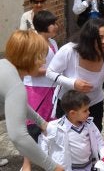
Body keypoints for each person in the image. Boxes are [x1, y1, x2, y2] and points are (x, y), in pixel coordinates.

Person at [46, 18, 104, 131]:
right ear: (89, 38)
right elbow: (50, 72)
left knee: (93, 138)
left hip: (94, 105)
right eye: (100, 38)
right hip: (69, 106)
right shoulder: (69, 51)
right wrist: (73, 83)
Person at [0, 30, 63, 171]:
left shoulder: (5, 65)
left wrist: (41, 123)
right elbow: (18, 137)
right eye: (40, 56)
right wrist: (53, 167)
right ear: (28, 57)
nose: (44, 61)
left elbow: (18, 104)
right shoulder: (15, 85)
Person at [22, 10, 59, 171]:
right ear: (45, 26)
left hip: (51, 89)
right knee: (33, 127)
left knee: (48, 127)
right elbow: (32, 70)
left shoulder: (53, 42)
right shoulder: (35, 43)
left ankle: (47, 159)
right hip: (36, 90)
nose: (56, 26)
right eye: (53, 24)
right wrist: (53, 71)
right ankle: (27, 164)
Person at [39, 90, 104, 170]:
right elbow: (43, 141)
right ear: (72, 113)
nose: (89, 112)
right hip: (68, 168)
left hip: (88, 166)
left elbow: (99, 142)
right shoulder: (56, 127)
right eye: (85, 110)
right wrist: (48, 163)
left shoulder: (89, 125)